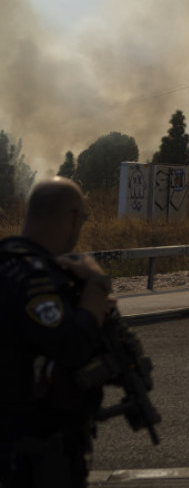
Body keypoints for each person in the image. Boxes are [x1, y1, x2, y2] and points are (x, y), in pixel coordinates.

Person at [0, 177, 115, 487]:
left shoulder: (10, 267)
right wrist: (97, 287)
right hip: (28, 458)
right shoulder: (34, 280)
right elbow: (72, 345)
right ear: (74, 217)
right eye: (84, 219)